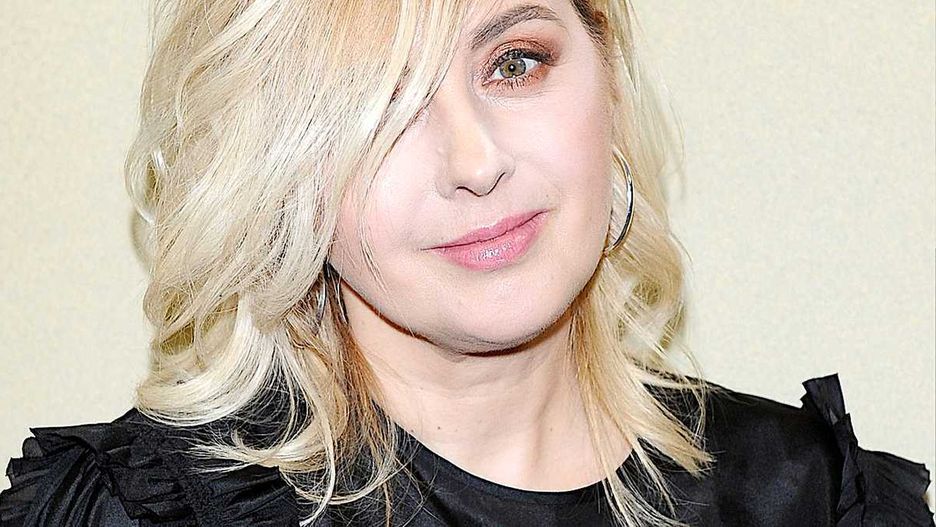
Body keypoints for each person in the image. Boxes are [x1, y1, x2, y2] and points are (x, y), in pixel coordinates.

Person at [1, 1, 933, 526]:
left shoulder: (815, 500)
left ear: (607, 77)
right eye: (379, 105)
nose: (475, 161)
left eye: (515, 64)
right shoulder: (139, 511)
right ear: (277, 170)